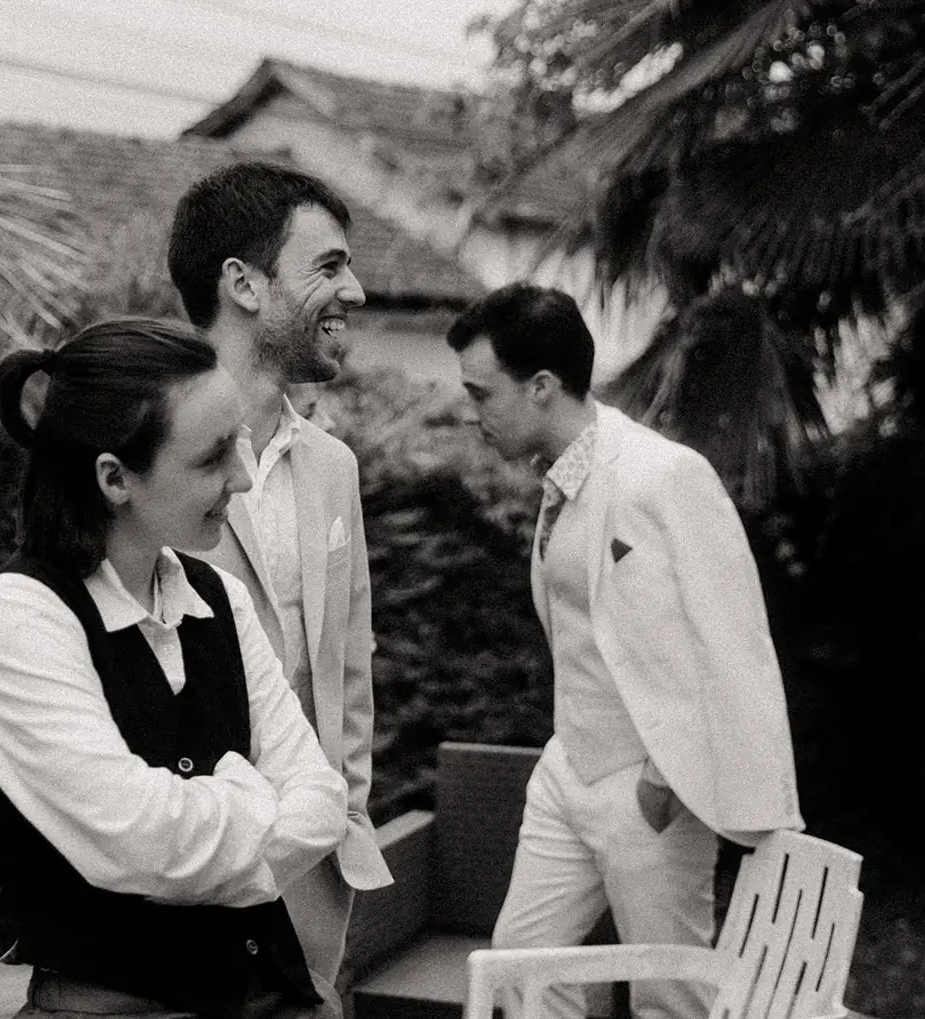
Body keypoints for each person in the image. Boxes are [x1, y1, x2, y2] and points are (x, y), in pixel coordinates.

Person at [0, 318, 348, 1019]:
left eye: (239, 443)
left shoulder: (220, 598)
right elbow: (134, 837)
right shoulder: (18, 616)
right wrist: (253, 797)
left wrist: (192, 846)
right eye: (212, 458)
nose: (243, 476)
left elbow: (321, 801)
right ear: (114, 477)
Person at [447, 283, 803, 1019]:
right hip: (566, 772)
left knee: (670, 998)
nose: (472, 412)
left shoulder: (665, 475)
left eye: (482, 394)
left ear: (541, 386)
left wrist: (662, 782)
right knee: (519, 975)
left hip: (650, 789)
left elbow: (731, 638)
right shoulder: (560, 478)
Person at [166, 162, 393, 997]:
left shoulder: (334, 466)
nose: (354, 291)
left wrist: (346, 814)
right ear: (244, 284)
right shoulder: (140, 447)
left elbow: (350, 669)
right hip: (181, 880)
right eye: (328, 266)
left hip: (312, 883)